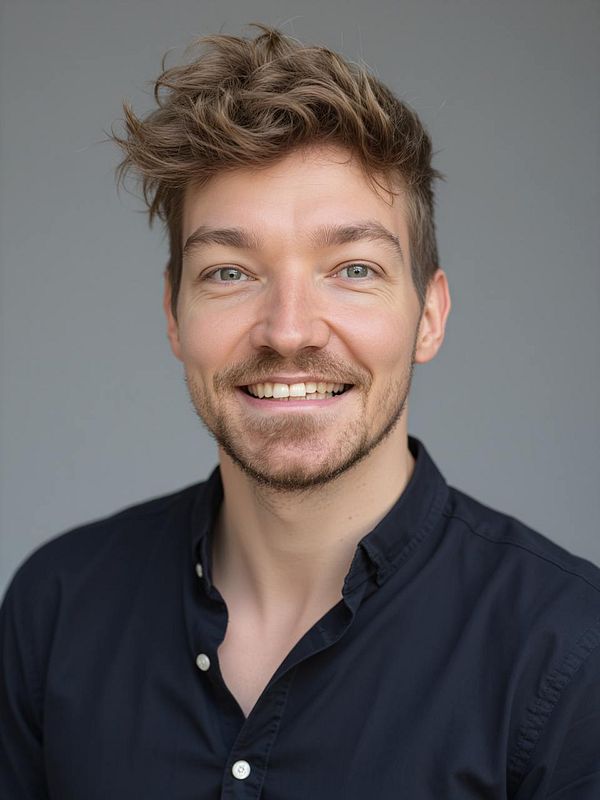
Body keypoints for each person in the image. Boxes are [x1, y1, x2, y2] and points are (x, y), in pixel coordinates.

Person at [1, 24, 599, 800]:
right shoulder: (55, 609)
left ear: (429, 316)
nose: (289, 330)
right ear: (174, 316)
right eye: (229, 271)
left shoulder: (570, 652)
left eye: (352, 269)